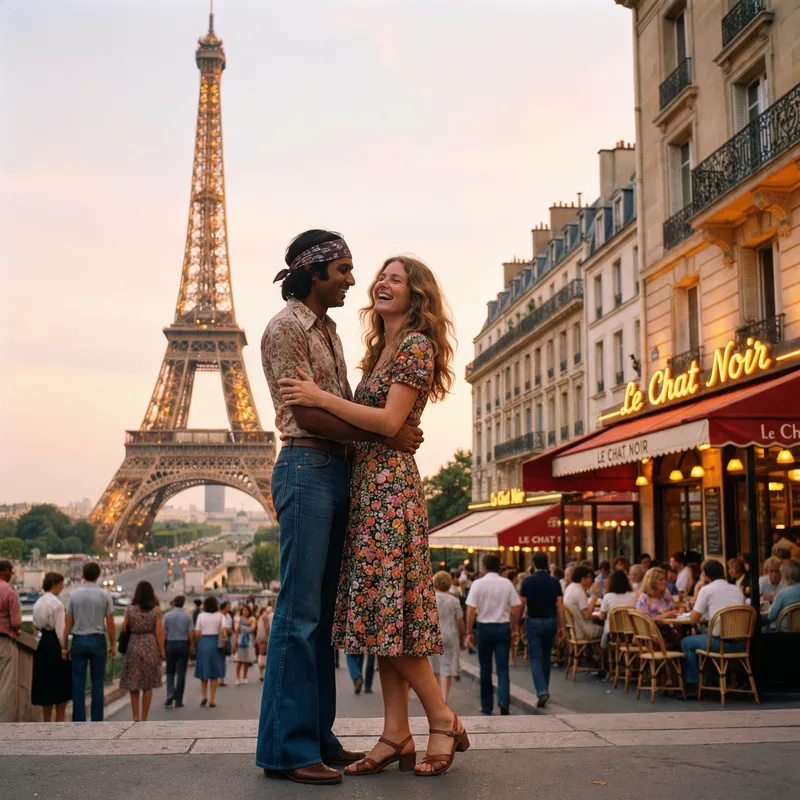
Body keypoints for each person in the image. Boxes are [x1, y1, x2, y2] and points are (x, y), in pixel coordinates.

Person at [281, 252, 468, 778]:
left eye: (397, 279)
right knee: (385, 620)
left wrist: (320, 397)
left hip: (388, 493)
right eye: (380, 277)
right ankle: (395, 733)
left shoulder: (414, 345)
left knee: (388, 620)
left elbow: (388, 420)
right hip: (368, 487)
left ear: (417, 296)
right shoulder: (381, 348)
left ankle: (441, 718)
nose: (382, 284)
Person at [257, 231, 424, 784]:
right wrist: (384, 437)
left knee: (321, 621)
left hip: (335, 472)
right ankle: (288, 749)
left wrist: (378, 432)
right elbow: (306, 416)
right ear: (315, 271)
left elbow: (345, 409)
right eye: (345, 270)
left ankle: (317, 735)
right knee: (299, 616)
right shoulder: (285, 329)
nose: (354, 280)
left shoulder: (327, 330)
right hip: (306, 467)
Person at [465, 554, 522, 716]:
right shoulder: (507, 584)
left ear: (484, 566)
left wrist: (469, 631)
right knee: (503, 668)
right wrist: (515, 625)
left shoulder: (477, 584)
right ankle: (504, 701)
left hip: (484, 628)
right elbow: (517, 607)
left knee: (485, 668)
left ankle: (487, 705)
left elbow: (470, 609)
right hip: (502, 627)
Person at [63, 561, 116, 722]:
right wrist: (113, 643)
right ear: (99, 575)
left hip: (78, 640)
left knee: (78, 683)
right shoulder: (104, 594)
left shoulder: (73, 595)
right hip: (98, 639)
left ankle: (79, 719)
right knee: (97, 683)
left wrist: (64, 646)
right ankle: (96, 719)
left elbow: (68, 623)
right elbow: (110, 622)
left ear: (82, 575)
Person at [681, 560, 746, 689]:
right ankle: (713, 678)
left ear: (706, 575)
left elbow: (694, 618)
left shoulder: (706, 590)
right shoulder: (737, 590)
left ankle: (693, 683)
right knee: (703, 635)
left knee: (686, 642)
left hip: (719, 644)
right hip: (742, 644)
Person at [518, 552, 565, 708]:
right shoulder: (554, 582)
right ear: (546, 563)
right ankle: (544, 688)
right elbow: (560, 606)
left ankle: (542, 690)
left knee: (535, 658)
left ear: (533, 564)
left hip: (534, 621)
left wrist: (517, 622)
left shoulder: (527, 582)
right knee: (546, 657)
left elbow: (521, 603)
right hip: (550, 621)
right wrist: (563, 626)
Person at [120, 581, 165, 722]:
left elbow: (124, 628)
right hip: (150, 644)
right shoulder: (156, 610)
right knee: (147, 684)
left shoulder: (130, 609)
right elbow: (159, 633)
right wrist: (162, 652)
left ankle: (135, 716)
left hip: (133, 644)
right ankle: (144, 716)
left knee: (134, 683)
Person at [31, 572, 71, 721]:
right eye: (61, 584)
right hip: (54, 643)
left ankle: (46, 719)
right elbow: (61, 631)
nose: (62, 587)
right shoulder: (58, 604)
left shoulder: (38, 602)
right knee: (61, 683)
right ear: (55, 584)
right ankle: (59, 719)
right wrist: (64, 648)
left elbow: (36, 625)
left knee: (46, 682)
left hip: (43, 644)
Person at [429, 571, 465, 704]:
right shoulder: (454, 600)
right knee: (447, 668)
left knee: (433, 667)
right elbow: (460, 621)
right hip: (450, 634)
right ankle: (444, 699)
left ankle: (435, 699)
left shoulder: (430, 598)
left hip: (433, 635)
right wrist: (462, 638)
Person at [0, 559, 22, 722]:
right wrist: (17, 629)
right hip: (3, 640)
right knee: (5, 684)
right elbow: (16, 622)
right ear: (5, 571)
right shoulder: (8, 591)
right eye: (11, 571)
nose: (12, 574)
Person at [193, 595, 225, 707]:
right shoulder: (221, 616)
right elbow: (224, 632)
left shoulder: (201, 616)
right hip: (215, 643)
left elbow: (197, 633)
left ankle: (203, 696)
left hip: (203, 642)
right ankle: (212, 699)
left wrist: (196, 643)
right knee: (214, 672)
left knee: (203, 671)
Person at [163, 594, 194, 708]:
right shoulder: (187, 616)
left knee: (170, 671)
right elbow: (190, 633)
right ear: (183, 603)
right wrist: (192, 645)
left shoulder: (167, 616)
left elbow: (164, 633)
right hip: (183, 644)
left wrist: (162, 648)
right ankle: (179, 700)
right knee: (181, 672)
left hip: (171, 644)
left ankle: (170, 693)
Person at [597, 570, 637, 648]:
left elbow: (601, 617)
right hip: (630, 634)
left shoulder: (608, 596)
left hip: (613, 634)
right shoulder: (633, 596)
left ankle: (605, 656)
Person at [563, 566, 603, 641]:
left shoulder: (569, 588)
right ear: (583, 579)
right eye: (590, 577)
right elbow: (587, 615)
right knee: (607, 631)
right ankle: (604, 652)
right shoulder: (579, 592)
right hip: (583, 632)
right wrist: (595, 595)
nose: (592, 580)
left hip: (573, 631)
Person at [768, 559, 800, 631]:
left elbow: (771, 616)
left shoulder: (782, 594)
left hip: (785, 633)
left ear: (785, 576)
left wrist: (769, 607)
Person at [233, 604, 257, 684]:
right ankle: (237, 678)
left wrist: (242, 628)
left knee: (246, 660)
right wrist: (235, 643)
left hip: (249, 641)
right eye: (244, 610)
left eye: (246, 610)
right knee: (239, 661)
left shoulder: (252, 618)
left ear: (249, 611)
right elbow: (236, 630)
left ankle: (245, 677)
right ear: (241, 611)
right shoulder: (238, 618)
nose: (245, 612)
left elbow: (252, 628)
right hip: (240, 640)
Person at [218, 600, 233, 686]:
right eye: (228, 606)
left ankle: (221, 679)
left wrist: (227, 630)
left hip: (225, 639)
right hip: (217, 639)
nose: (229, 608)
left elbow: (229, 628)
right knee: (217, 659)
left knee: (223, 660)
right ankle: (216, 677)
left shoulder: (228, 616)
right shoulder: (218, 615)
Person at [255, 605, 270, 682]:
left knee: (263, 657)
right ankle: (262, 674)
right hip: (264, 640)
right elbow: (266, 631)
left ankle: (263, 674)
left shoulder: (262, 619)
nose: (265, 614)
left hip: (263, 640)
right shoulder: (263, 619)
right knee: (263, 657)